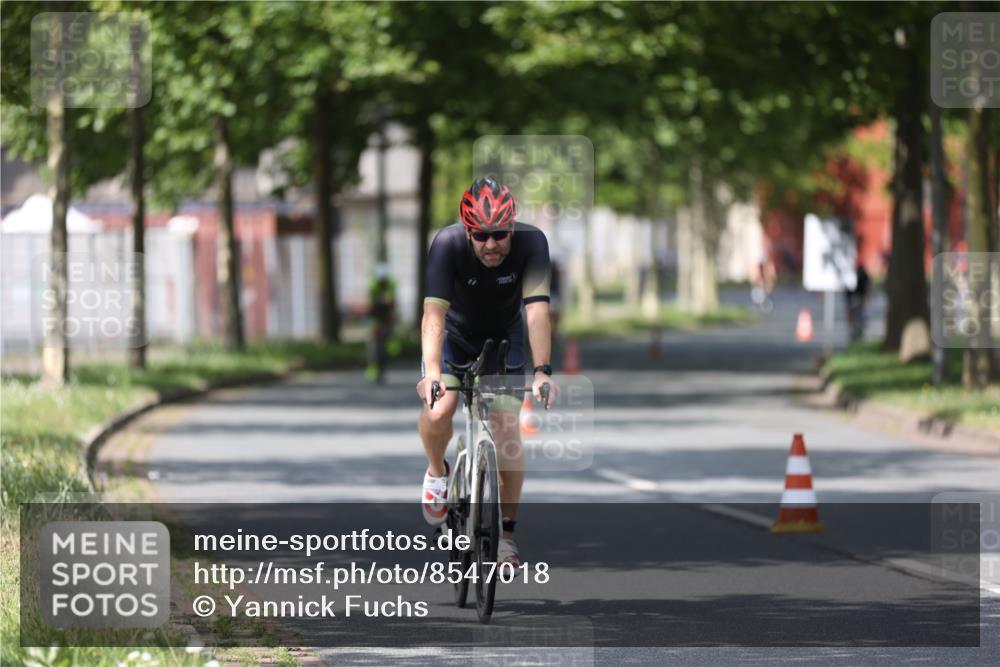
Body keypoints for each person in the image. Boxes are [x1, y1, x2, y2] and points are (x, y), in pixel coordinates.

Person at [416, 177, 556, 567]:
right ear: (467, 230)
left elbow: (537, 310)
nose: (491, 244)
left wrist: (543, 370)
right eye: (480, 235)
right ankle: (436, 474)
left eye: (499, 234)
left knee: (508, 432)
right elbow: (433, 315)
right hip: (454, 337)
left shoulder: (533, 244)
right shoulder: (447, 244)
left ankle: (506, 537)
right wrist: (431, 372)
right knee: (440, 409)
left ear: (512, 227)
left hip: (504, 338)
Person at [366, 263, 396, 384]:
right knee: (374, 349)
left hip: (386, 321)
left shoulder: (390, 286)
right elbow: (371, 308)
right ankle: (373, 370)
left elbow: (392, 304)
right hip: (376, 322)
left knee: (384, 348)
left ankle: (382, 370)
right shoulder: (373, 287)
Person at [846, 262, 870, 343]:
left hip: (856, 297)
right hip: (858, 297)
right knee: (858, 314)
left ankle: (857, 330)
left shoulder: (852, 274)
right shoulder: (862, 274)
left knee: (857, 314)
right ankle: (857, 329)